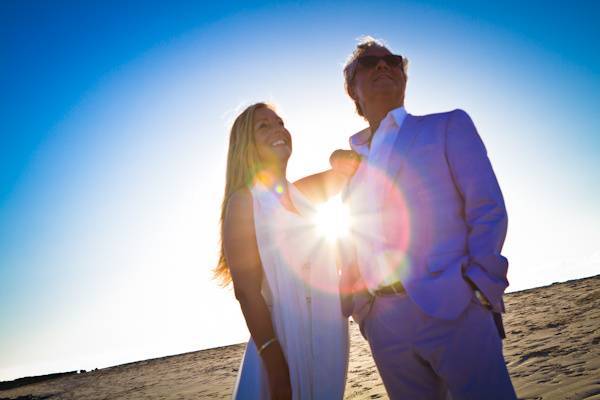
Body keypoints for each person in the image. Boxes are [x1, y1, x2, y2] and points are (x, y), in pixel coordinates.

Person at [338, 37, 518, 399]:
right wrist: (365, 313)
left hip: (455, 308)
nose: (383, 66)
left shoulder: (448, 126)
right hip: (384, 325)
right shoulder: (352, 167)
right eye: (370, 64)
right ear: (353, 91)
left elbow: (487, 207)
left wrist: (480, 287)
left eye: (392, 60)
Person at [214, 103, 354, 399]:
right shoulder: (244, 201)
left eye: (280, 122)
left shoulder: (301, 191)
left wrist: (337, 155)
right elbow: (247, 292)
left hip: (328, 337)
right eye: (264, 126)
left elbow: (350, 168)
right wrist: (277, 370)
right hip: (285, 340)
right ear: (245, 145)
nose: (278, 129)